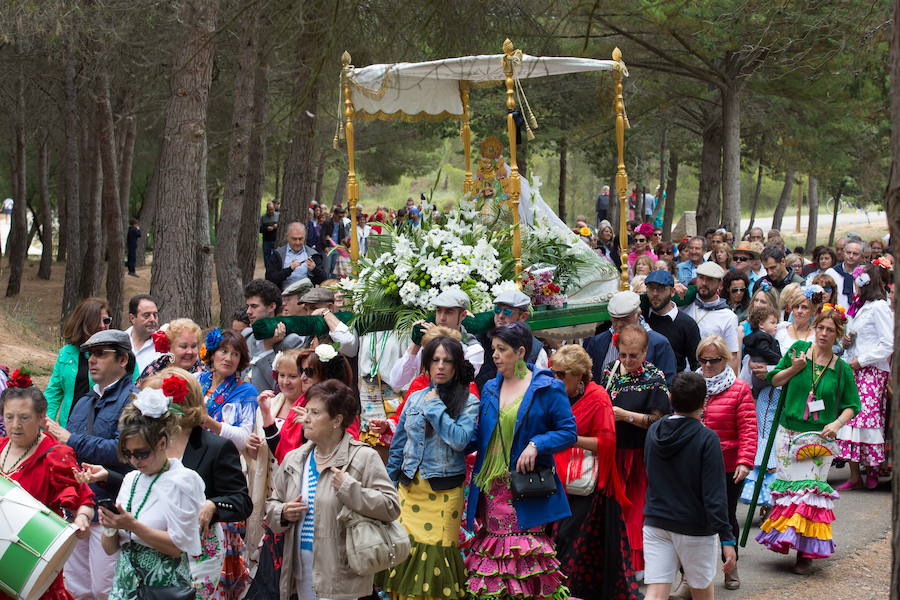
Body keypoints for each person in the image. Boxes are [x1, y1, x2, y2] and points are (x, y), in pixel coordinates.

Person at [465, 322, 576, 599]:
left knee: (525, 563)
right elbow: (480, 434)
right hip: (492, 490)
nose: (495, 356)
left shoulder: (547, 387)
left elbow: (568, 431)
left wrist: (537, 444)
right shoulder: (490, 387)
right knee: (494, 567)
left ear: (521, 351)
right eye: (494, 350)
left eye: (502, 350)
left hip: (525, 488)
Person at [265, 380, 401, 600]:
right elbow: (271, 504)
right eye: (307, 411)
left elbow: (391, 507)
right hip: (300, 570)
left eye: (315, 413)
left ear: (336, 420)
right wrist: (282, 513)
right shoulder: (295, 459)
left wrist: (351, 490)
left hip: (343, 576)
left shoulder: (363, 457)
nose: (305, 418)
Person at [755, 307, 861, 574]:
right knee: (790, 493)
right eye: (821, 328)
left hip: (818, 439)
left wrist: (836, 423)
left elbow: (852, 405)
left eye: (830, 330)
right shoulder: (798, 350)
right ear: (815, 328)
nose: (824, 334)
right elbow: (774, 379)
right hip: (788, 434)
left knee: (810, 494)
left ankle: (805, 553)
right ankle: (788, 541)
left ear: (838, 335)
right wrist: (795, 367)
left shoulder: (842, 368)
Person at [381, 335, 480, 600]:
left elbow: (460, 441)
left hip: (444, 491)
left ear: (457, 365)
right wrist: (390, 485)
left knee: (437, 555)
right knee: (405, 553)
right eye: (435, 360)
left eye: (447, 361)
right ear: (426, 364)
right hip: (409, 489)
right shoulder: (414, 399)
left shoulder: (469, 401)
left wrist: (435, 407)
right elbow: (399, 446)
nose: (440, 366)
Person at [46, 329, 139, 600]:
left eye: (100, 354)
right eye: (89, 356)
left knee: (107, 589)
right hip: (76, 507)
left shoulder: (133, 400)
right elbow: (69, 448)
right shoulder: (84, 400)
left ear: (123, 360)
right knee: (76, 588)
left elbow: (124, 451)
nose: (92, 361)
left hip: (111, 507)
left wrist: (71, 439)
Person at [550, 345, 641, 600]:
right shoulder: (554, 396)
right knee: (558, 540)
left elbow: (607, 444)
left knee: (572, 543)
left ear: (579, 375)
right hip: (556, 481)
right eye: (553, 373)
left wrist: (570, 439)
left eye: (561, 375)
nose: (555, 379)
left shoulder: (598, 396)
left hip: (587, 486)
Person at [98, 396, 204, 600]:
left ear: (162, 443)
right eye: (128, 454)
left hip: (164, 588)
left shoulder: (183, 481)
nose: (134, 461)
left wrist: (133, 526)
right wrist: (111, 525)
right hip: (125, 585)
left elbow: (176, 547)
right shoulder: (131, 479)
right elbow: (110, 549)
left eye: (142, 453)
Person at [642, 372, 737, 600]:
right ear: (704, 402)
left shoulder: (654, 431)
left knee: (655, 591)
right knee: (702, 592)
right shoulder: (707, 438)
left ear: (671, 397)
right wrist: (727, 538)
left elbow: (648, 471)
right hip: (694, 527)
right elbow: (715, 495)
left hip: (656, 522)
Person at [0, 380, 95, 600]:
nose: (15, 425)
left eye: (24, 417)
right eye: (9, 417)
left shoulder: (56, 455)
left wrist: (81, 519)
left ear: (42, 418)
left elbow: (84, 499)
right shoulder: (1, 446)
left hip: (32, 558)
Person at [603, 323, 670, 575]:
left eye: (634, 355)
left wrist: (627, 416)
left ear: (645, 352)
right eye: (623, 354)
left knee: (635, 512)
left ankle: (636, 567)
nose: (628, 360)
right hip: (612, 453)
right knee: (613, 511)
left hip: (640, 457)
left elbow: (660, 422)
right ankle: (614, 562)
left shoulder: (654, 378)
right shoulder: (610, 371)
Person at [695, 335, 756, 591]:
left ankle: (731, 567)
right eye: (703, 360)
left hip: (728, 465)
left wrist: (744, 461)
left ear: (726, 360)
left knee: (726, 516)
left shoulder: (739, 389)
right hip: (695, 464)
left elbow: (749, 429)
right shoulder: (692, 385)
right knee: (694, 519)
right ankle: (690, 577)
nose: (708, 365)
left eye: (714, 360)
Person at [836, 263, 894, 489]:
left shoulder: (879, 307)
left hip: (871, 369)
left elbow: (887, 343)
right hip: (854, 366)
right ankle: (855, 475)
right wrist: (847, 342)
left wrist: (861, 361)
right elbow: (858, 337)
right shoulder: (860, 306)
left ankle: (872, 470)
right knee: (852, 416)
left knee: (867, 420)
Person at [390, 289, 485, 393]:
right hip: (420, 403)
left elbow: (461, 380)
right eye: (438, 310)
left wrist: (440, 340)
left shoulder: (473, 348)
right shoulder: (427, 339)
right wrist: (416, 345)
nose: (442, 318)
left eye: (449, 312)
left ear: (463, 315)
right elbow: (396, 382)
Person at [738, 305, 782, 522]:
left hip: (774, 390)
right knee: (767, 437)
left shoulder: (759, 338)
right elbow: (763, 360)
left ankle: (772, 501)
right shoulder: (762, 340)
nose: (776, 326)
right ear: (762, 324)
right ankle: (766, 499)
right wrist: (781, 362)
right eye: (773, 322)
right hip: (767, 392)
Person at [45, 297, 112, 426]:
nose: (102, 325)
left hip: (100, 431)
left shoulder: (118, 354)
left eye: (106, 320)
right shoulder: (66, 353)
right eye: (96, 321)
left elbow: (131, 391)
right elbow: (53, 393)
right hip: (68, 428)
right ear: (83, 323)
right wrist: (44, 428)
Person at [585, 290, 676, 385]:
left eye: (625, 319)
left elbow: (668, 384)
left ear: (638, 315)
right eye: (615, 319)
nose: (619, 324)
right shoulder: (597, 342)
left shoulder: (659, 343)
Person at [475, 290, 548, 391]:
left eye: (507, 312)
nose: (500, 315)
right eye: (497, 310)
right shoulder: (479, 343)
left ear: (523, 316)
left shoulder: (537, 351)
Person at [242, 278, 305, 392]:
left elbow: (283, 387)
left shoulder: (292, 341)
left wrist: (267, 349)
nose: (248, 311)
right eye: (248, 306)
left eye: (254, 306)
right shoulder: (246, 336)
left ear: (272, 307)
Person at [683, 261, 740, 374]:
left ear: (720, 284)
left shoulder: (728, 316)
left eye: (710, 279)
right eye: (701, 278)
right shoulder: (684, 305)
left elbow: (732, 356)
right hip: (683, 374)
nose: (704, 283)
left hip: (711, 375)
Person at [642, 270, 701, 374]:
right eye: (651, 288)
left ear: (672, 291)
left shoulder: (687, 324)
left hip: (674, 384)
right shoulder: (641, 317)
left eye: (661, 289)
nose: (655, 293)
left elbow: (696, 363)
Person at [137, 318, 206, 383]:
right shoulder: (156, 368)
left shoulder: (205, 377)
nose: (189, 352)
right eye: (183, 346)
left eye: (193, 346)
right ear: (169, 346)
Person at [265, 222, 326, 290]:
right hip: (283, 296)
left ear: (305, 237)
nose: (297, 242)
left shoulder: (313, 255)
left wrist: (314, 269)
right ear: (287, 237)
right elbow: (269, 279)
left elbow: (323, 280)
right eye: (294, 239)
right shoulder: (278, 254)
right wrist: (289, 270)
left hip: (306, 297)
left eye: (300, 239)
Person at [775, 284, 823, 351]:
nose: (799, 311)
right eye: (796, 307)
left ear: (813, 311)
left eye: (804, 307)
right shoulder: (781, 329)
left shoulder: (816, 336)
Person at [126, 295, 162, 374]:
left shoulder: (164, 345)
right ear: (132, 318)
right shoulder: (119, 342)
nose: (152, 319)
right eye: (146, 315)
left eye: (155, 315)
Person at [832, 239, 864, 308]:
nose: (851, 256)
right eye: (848, 252)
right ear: (843, 253)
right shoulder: (832, 273)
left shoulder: (866, 274)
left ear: (861, 257)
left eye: (855, 254)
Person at [321, 206, 350, 278]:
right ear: (334, 214)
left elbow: (342, 236)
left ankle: (333, 284)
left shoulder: (341, 224)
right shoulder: (327, 223)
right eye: (339, 216)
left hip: (337, 249)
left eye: (342, 217)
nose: (341, 218)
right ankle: (326, 284)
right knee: (327, 268)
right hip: (328, 248)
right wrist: (325, 246)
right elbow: (323, 235)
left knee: (334, 269)